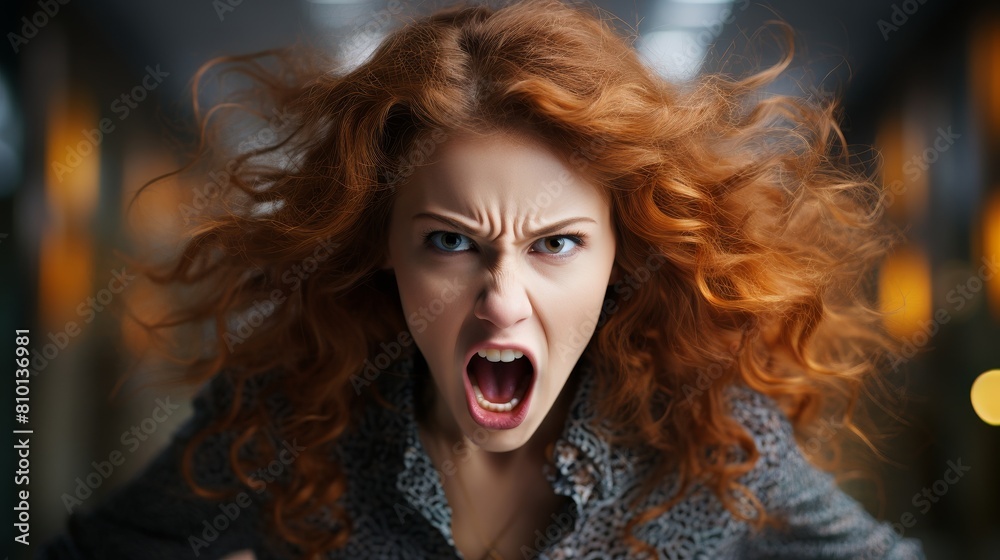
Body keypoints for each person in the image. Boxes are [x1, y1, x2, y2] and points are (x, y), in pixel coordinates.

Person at [39, 0, 927, 558]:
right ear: (381, 244)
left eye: (557, 245)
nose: (502, 300)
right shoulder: (281, 418)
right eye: (451, 243)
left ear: (627, 252)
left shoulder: (714, 441)